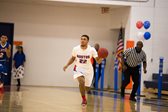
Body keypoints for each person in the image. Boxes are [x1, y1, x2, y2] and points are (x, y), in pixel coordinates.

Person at [63, 35, 102, 105]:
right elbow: (72, 58)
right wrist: (67, 65)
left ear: (87, 41)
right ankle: (84, 99)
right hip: (78, 68)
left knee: (87, 88)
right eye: (81, 39)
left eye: (84, 39)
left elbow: (98, 61)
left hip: (88, 70)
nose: (82, 40)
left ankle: (86, 92)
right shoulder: (75, 49)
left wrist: (102, 57)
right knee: (81, 82)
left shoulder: (92, 49)